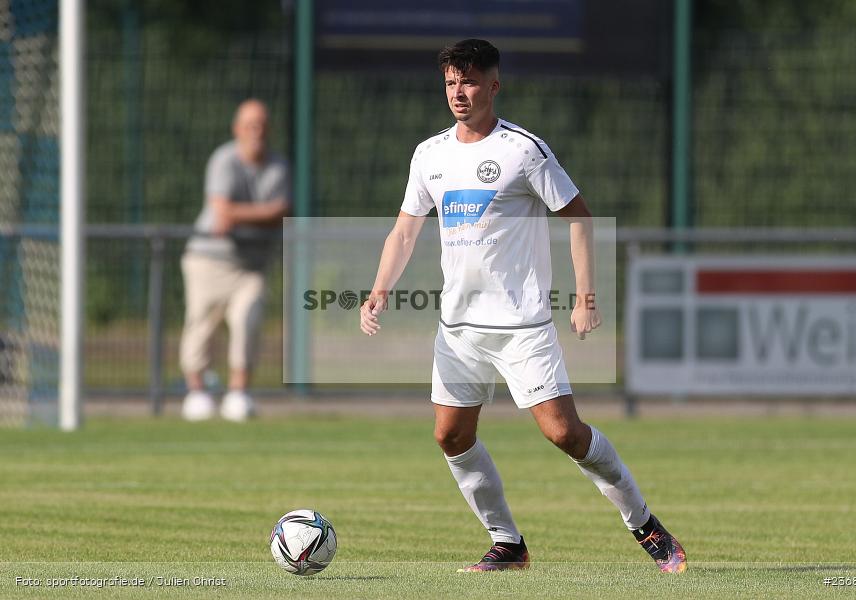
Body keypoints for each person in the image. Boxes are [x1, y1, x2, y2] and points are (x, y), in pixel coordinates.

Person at [360, 39, 686, 573]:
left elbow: (578, 217)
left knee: (564, 433)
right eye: (449, 82)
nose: (458, 93)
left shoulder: (522, 150)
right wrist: (378, 290)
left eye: (468, 81)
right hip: (459, 328)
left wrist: (585, 297)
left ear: (494, 84)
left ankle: (645, 525)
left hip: (521, 325)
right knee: (450, 435)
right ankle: (507, 544)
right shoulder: (429, 154)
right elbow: (403, 232)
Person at [179, 99, 290, 422]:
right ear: (237, 129)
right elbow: (221, 213)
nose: (256, 131)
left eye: (261, 124)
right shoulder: (223, 160)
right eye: (249, 124)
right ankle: (197, 392)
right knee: (200, 323)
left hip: (251, 266)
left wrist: (249, 215)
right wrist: (265, 213)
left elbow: (281, 212)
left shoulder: (279, 166)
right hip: (208, 260)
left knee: (248, 320)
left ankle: (238, 393)